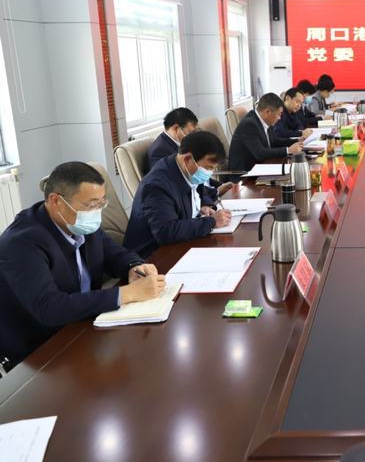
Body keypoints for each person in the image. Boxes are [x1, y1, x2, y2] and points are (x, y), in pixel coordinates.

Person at [0, 162, 166, 369]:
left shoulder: (78, 224)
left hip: (86, 325)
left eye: (101, 204)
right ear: (56, 201)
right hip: (42, 351)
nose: (96, 213)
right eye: (91, 206)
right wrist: (127, 293)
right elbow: (49, 308)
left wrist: (134, 266)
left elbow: (115, 254)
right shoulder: (21, 243)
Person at [124, 131, 233, 258]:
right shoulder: (156, 186)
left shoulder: (187, 170)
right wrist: (212, 222)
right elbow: (166, 231)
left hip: (183, 244)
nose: (209, 173)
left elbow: (201, 191)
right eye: (208, 168)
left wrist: (205, 205)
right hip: (154, 257)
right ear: (187, 159)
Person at [146, 107, 233, 198]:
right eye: (191, 132)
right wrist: (216, 192)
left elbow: (200, 175)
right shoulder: (159, 151)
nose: (193, 136)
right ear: (176, 129)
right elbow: (179, 183)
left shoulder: (181, 144)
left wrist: (221, 185)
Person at [228, 94, 303, 172]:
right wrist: (288, 150)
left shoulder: (267, 121)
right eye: (279, 114)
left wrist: (297, 141)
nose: (279, 118)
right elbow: (259, 153)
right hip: (246, 173)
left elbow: (275, 141)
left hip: (262, 167)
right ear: (267, 112)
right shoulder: (249, 124)